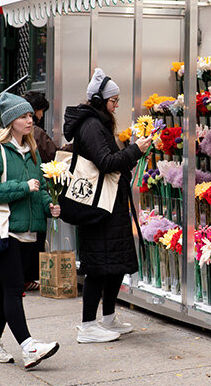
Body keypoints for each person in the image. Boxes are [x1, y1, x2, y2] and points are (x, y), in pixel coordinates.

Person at [0, 92, 62, 369]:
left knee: (4, 288)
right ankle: (29, 347)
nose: (29, 120)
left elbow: (40, 188)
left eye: (30, 115)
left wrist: (49, 205)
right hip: (4, 231)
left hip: (28, 232)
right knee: (13, 288)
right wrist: (22, 188)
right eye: (23, 116)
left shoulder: (31, 150)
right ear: (10, 121)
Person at [63, 68, 151, 343]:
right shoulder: (91, 126)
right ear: (99, 100)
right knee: (98, 267)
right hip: (99, 207)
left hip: (110, 205)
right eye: (113, 101)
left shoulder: (97, 123)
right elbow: (105, 162)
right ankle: (88, 326)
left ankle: (109, 318)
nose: (116, 105)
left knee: (115, 264)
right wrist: (135, 150)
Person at [22, 90, 58, 292]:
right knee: (35, 236)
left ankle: (24, 278)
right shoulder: (36, 133)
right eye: (41, 111)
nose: (41, 115)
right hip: (35, 189)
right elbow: (53, 154)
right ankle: (28, 277)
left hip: (27, 191)